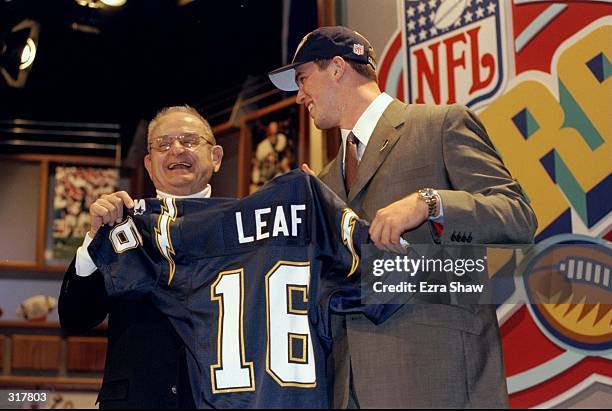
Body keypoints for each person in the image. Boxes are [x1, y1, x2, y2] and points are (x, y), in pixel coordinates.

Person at [269, 26, 537, 408]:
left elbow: (517, 214)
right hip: (349, 386)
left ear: (338, 68)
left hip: (435, 374)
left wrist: (430, 202)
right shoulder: (325, 179)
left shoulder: (440, 125)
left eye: (302, 78)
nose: (299, 96)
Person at [58, 105, 223, 408]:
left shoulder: (246, 228)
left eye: (189, 141)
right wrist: (94, 241)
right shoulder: (121, 226)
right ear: (148, 164)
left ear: (216, 157)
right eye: (163, 144)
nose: (176, 150)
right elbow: (76, 319)